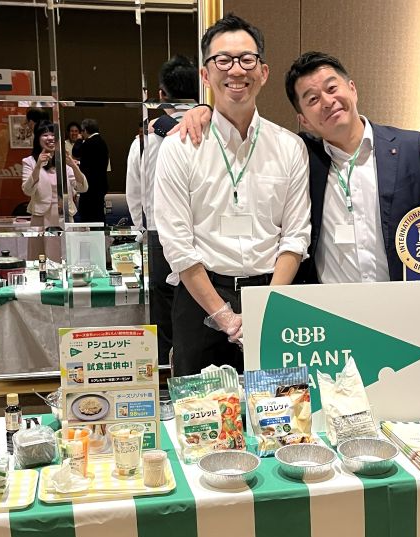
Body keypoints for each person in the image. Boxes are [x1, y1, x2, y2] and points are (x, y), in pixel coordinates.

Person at [178, 51, 420, 284]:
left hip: (401, 300)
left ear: (352, 89)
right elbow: (247, 134)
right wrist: (204, 111)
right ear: (304, 121)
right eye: (312, 99)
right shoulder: (299, 156)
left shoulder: (410, 146)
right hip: (329, 315)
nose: (327, 101)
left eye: (332, 88)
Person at [154, 14, 310, 376]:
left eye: (246, 59)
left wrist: (265, 307)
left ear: (263, 72)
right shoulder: (179, 147)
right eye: (223, 60)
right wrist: (224, 316)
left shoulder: (290, 147)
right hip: (200, 301)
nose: (236, 70)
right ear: (205, 75)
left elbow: (296, 236)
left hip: (272, 296)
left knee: (280, 407)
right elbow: (176, 243)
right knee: (201, 410)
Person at [126, 54, 199, 365]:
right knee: (200, 313)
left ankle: (167, 376)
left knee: (164, 317)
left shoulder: (145, 139)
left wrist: (144, 232)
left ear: (161, 94)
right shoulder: (212, 131)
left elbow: (135, 195)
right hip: (202, 236)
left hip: (159, 236)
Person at [21, 122, 88, 260]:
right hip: (41, 217)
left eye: (53, 135)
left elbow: (82, 187)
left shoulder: (64, 162)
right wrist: (38, 166)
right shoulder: (29, 162)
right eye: (45, 135)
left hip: (64, 216)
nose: (50, 138)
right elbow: (27, 190)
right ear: (38, 138)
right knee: (39, 257)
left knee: (66, 256)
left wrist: (73, 165)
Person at [76, 118, 110, 223]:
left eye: (82, 131)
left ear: (85, 130)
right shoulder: (102, 142)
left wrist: (79, 140)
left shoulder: (88, 143)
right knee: (99, 214)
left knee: (87, 215)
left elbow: (75, 152)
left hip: (90, 186)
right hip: (101, 184)